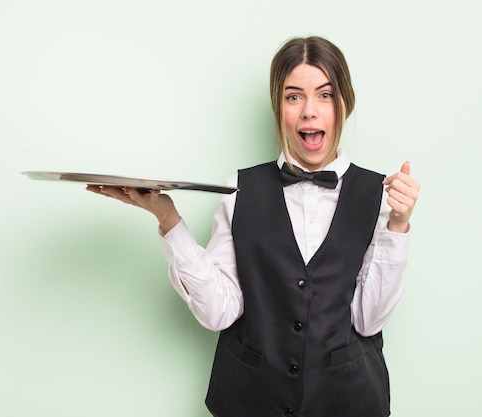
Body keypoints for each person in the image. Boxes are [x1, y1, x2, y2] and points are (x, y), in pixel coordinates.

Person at [88, 36, 420, 417]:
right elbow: (219, 313)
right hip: (249, 401)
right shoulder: (238, 190)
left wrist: (398, 225)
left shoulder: (381, 196)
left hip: (347, 401)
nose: (309, 111)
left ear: (345, 103)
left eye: (324, 95)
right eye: (293, 96)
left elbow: (368, 319)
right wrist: (169, 220)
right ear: (278, 107)